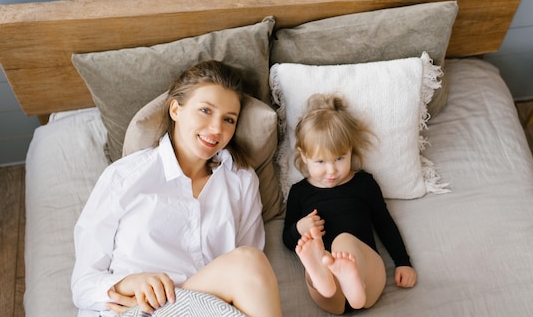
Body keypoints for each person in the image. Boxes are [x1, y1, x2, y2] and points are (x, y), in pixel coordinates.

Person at [71, 60, 283, 317]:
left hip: (208, 309)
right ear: (175, 109)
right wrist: (129, 284)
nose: (217, 129)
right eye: (205, 110)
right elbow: (83, 284)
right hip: (136, 309)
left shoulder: (241, 181)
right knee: (248, 262)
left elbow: (250, 285)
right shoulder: (124, 177)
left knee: (249, 261)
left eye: (229, 119)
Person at [282, 93, 417, 315]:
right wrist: (300, 228)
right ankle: (324, 278)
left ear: (350, 151)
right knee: (315, 252)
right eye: (320, 161)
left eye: (339, 158)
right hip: (330, 299)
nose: (331, 170)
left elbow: (384, 224)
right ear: (304, 156)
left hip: (369, 280)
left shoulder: (363, 183)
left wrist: (403, 262)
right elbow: (288, 241)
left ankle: (353, 282)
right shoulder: (299, 192)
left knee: (341, 242)